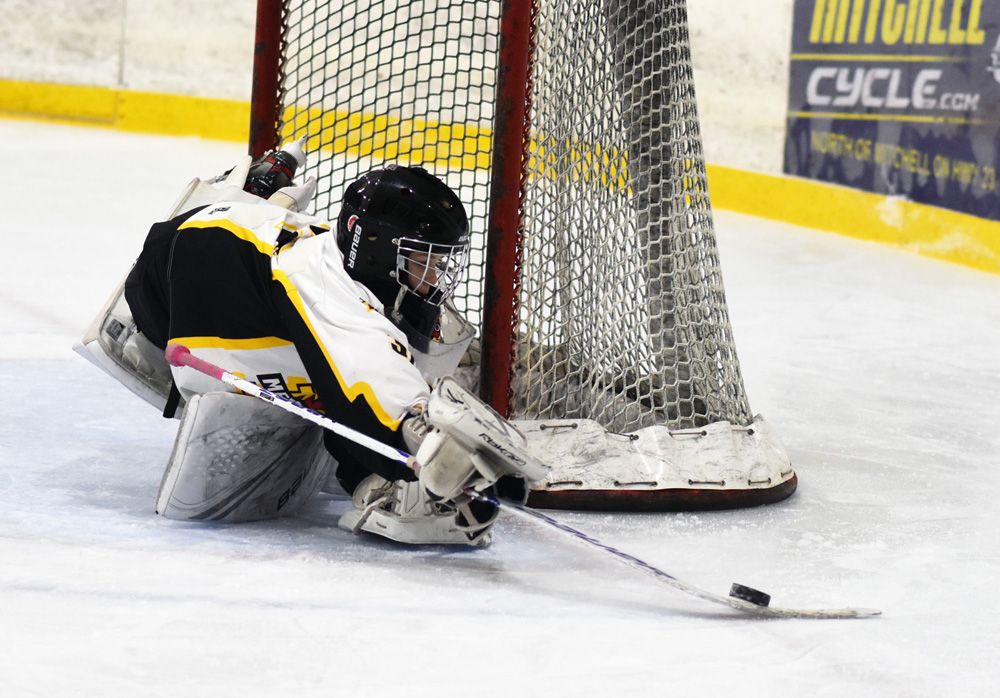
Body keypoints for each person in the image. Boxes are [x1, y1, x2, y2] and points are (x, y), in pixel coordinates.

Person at [75, 144, 541, 546]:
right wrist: (417, 437)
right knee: (331, 374)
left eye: (442, 263)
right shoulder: (324, 285)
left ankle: (258, 191)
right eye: (423, 260)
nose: (437, 277)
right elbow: (365, 373)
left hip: (237, 231)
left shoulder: (344, 270)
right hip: (164, 284)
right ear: (374, 249)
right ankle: (254, 194)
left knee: (327, 353)